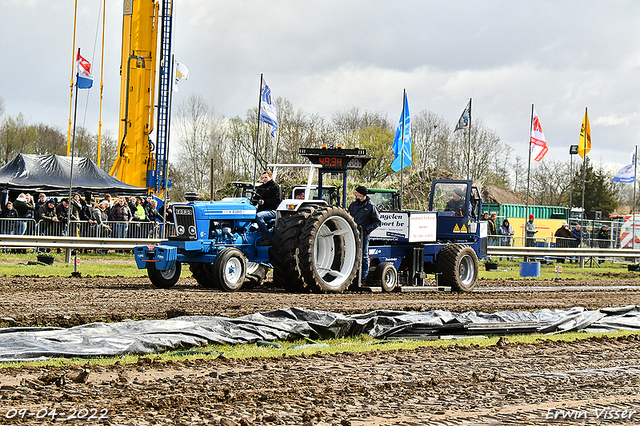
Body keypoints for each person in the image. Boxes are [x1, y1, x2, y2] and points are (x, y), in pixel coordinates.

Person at [348, 185, 382, 283]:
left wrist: (367, 230)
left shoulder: (371, 206)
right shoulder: (353, 205)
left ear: (362, 195)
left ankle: (364, 276)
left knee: (363, 255)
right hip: (353, 233)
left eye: (356, 193)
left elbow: (377, 222)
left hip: (364, 234)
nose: (355, 194)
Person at [254, 171, 282, 246]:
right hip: (261, 209)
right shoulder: (261, 188)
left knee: (258, 216)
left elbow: (277, 200)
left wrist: (264, 202)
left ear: (270, 177)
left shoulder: (275, 187)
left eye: (266, 177)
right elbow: (255, 198)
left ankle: (266, 238)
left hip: (272, 210)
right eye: (263, 178)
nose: (264, 179)